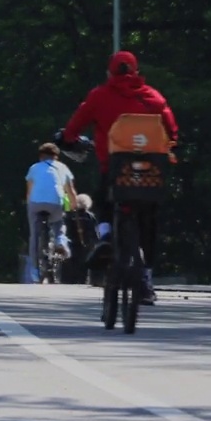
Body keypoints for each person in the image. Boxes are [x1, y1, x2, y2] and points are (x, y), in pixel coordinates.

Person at [62, 50, 179, 304]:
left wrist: (68, 139)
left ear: (109, 72)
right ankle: (146, 280)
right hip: (150, 173)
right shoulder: (154, 98)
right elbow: (172, 130)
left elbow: (73, 128)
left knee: (103, 199)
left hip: (115, 170)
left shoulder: (99, 97)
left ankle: (104, 236)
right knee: (149, 221)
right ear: (136, 72)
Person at [24, 143, 78, 282]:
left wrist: (30, 205)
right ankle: (61, 241)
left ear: (41, 156)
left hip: (36, 203)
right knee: (59, 223)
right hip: (55, 202)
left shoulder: (34, 167)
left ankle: (35, 271)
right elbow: (70, 191)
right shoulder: (62, 167)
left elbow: (29, 190)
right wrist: (73, 205)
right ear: (56, 157)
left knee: (34, 236)